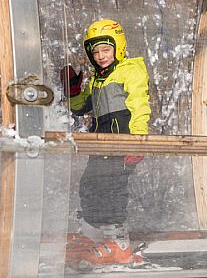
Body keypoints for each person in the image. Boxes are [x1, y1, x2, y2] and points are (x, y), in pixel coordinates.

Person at [60, 19, 151, 268]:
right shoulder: (99, 79)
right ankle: (91, 236)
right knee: (89, 185)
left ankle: (118, 242)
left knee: (111, 188)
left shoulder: (130, 70)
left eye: (106, 50)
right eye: (96, 51)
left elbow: (139, 106)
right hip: (100, 145)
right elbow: (80, 109)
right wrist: (74, 91)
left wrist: (138, 142)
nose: (100, 56)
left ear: (118, 47)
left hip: (122, 142)